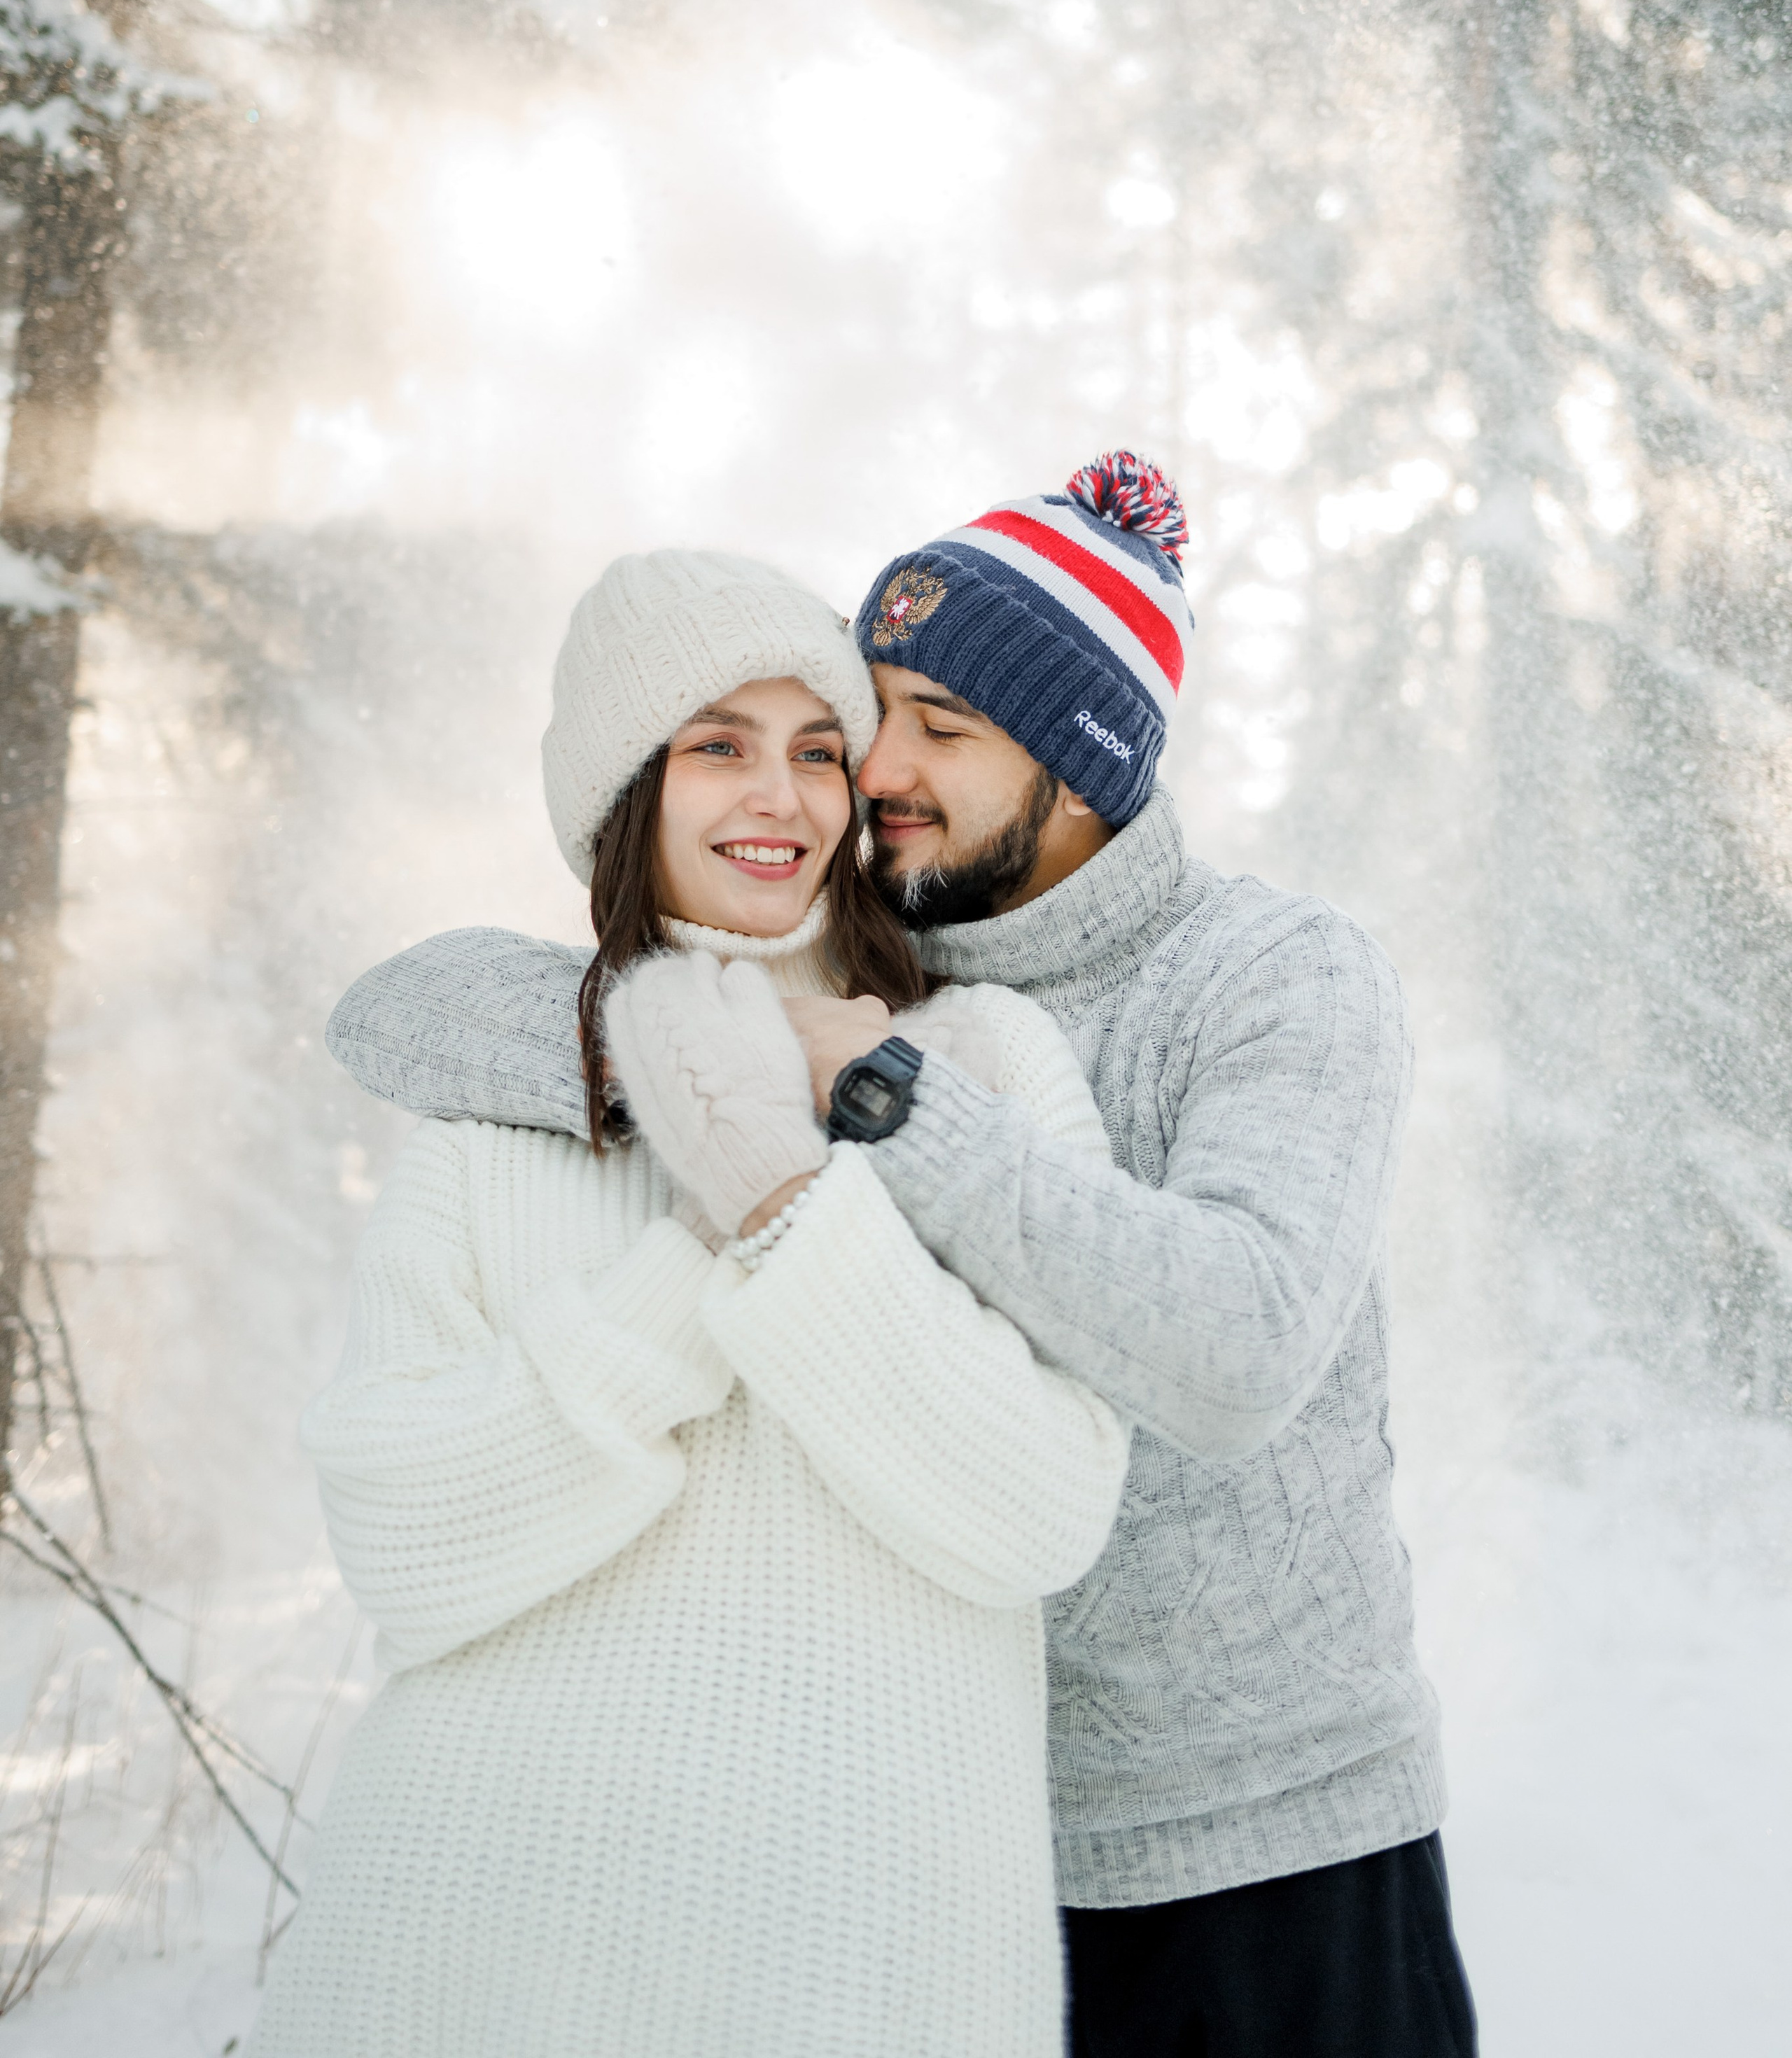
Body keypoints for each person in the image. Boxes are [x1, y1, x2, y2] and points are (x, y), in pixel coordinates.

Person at [327, 454, 1480, 2058]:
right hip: (951, 1853)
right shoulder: (881, 947)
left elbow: (1233, 1346)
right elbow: (406, 1010)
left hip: (1260, 1832)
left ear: (1078, 762)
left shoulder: (1260, 977)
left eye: (941, 727)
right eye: (874, 719)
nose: (875, 772)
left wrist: (874, 1093)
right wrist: (689, 1044)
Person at [251, 549, 1130, 2058]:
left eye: (813, 752)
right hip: (459, 1964)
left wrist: (791, 1208)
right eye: (714, 746)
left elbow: (1040, 1509)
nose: (775, 800)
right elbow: (403, 1545)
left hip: (860, 1969)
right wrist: (695, 1249)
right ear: (625, 794)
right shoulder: (491, 1119)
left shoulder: (983, 1073)